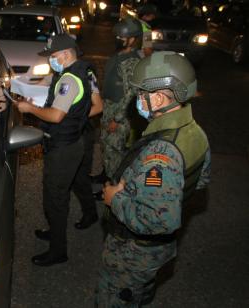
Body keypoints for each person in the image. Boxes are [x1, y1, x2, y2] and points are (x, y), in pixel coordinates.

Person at [95, 51, 211, 306]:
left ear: (158, 98)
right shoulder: (195, 133)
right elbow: (198, 183)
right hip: (157, 253)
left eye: (140, 94)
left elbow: (160, 220)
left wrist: (116, 199)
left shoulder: (162, 154)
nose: (136, 99)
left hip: (134, 255)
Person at [15, 34, 93, 266]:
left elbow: (57, 116)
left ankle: (58, 250)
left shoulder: (69, 80)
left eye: (53, 55)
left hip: (63, 148)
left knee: (55, 199)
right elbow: (63, 109)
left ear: (67, 54)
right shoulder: (77, 73)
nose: (51, 60)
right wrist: (39, 107)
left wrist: (29, 108)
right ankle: (55, 232)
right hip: (70, 142)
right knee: (59, 194)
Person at [101, 17, 143, 182]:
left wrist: (117, 120)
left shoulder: (131, 62)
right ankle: (107, 180)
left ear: (132, 39)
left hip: (119, 114)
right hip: (109, 108)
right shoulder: (118, 55)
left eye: (122, 37)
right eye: (117, 36)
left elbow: (131, 94)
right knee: (106, 149)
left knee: (115, 152)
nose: (118, 39)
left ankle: (115, 191)